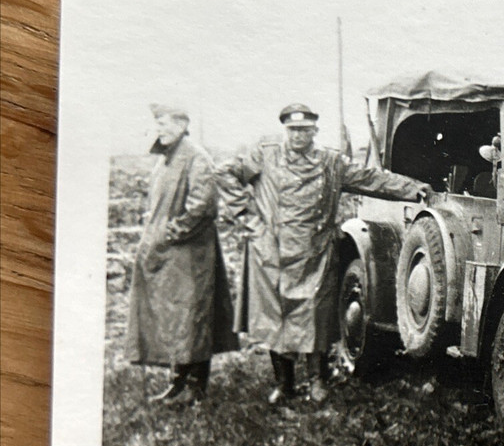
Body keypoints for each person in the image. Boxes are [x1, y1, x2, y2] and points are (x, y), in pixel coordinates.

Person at [218, 103, 430, 404]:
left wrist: (413, 189)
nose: (298, 137)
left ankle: (317, 379)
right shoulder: (264, 155)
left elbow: (370, 178)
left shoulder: (330, 162)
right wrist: (250, 219)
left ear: (314, 132)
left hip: (314, 253)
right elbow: (226, 174)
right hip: (272, 255)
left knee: (313, 319)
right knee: (276, 319)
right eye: (293, 130)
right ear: (285, 131)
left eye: (305, 131)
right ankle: (285, 384)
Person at [126, 105, 239, 403]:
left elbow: (202, 207)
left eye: (164, 124)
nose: (159, 129)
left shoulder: (196, 157)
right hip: (169, 257)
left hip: (191, 257)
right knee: (174, 318)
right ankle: (177, 382)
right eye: (157, 124)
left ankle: (194, 386)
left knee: (193, 318)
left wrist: (170, 234)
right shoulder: (165, 160)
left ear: (181, 125)